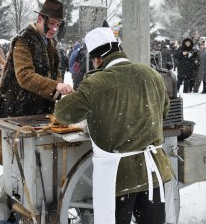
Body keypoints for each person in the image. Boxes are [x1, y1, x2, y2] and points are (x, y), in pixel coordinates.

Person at [53, 27, 173, 224]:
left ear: (97, 59)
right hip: (153, 171)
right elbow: (164, 111)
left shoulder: (96, 82)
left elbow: (63, 113)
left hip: (119, 177)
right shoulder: (150, 73)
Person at [0, 0, 74, 119]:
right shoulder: (23, 40)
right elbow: (24, 75)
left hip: (41, 111)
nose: (54, 29)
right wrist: (55, 86)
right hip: (17, 111)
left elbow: (55, 71)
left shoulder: (51, 43)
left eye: (58, 25)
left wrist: (58, 88)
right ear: (40, 19)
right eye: (51, 23)